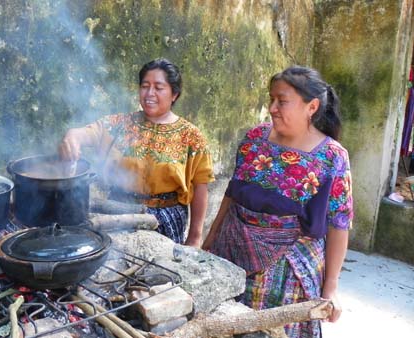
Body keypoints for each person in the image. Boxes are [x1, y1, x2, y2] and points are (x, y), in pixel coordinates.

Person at [201, 66, 352, 337]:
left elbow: (339, 223)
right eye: (271, 99)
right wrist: (210, 240)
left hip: (286, 272)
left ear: (312, 106)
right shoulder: (254, 139)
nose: (272, 108)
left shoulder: (332, 157)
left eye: (282, 101)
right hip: (231, 254)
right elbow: (232, 194)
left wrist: (330, 289)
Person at [59, 58, 214, 247]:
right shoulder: (119, 124)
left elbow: (200, 186)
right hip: (118, 212)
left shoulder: (191, 136)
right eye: (145, 86)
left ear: (174, 94)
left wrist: (195, 236)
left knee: (160, 273)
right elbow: (89, 132)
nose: (149, 93)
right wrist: (72, 136)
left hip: (165, 220)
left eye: (158, 87)